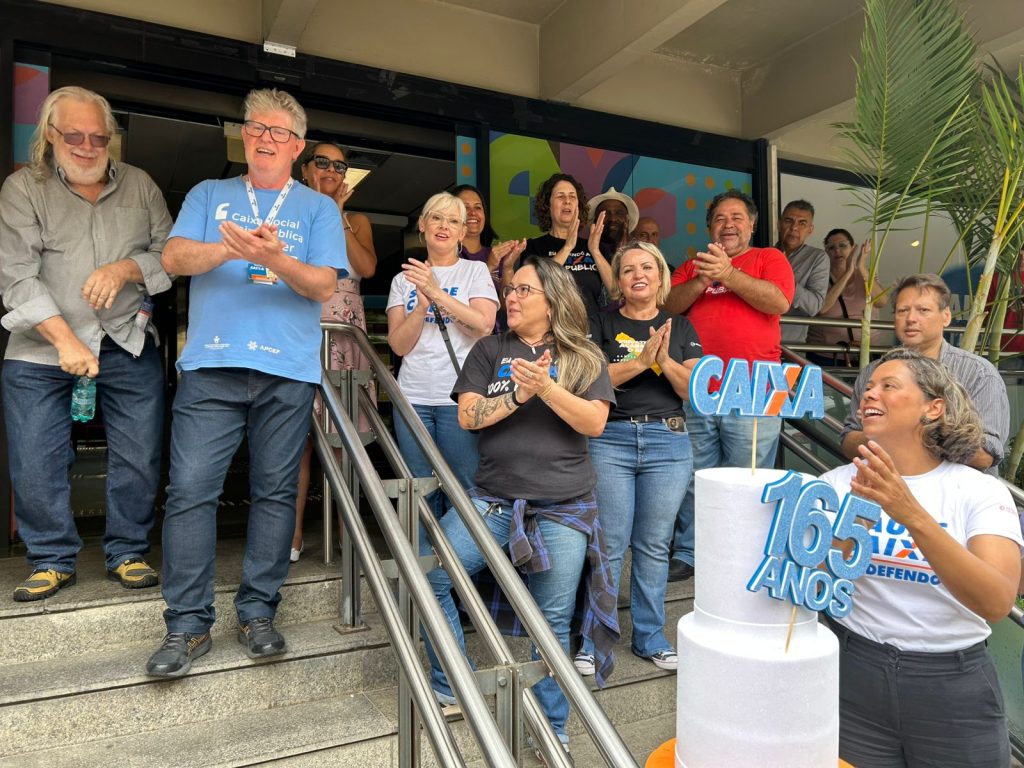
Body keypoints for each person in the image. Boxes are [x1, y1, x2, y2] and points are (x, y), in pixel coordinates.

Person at [146, 88, 347, 677]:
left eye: (280, 132)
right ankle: (187, 624)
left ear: (297, 146)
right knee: (190, 490)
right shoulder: (210, 194)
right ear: (243, 135)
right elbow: (173, 259)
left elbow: (323, 285)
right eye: (256, 127)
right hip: (211, 366)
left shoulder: (317, 208)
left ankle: (259, 612)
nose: (266, 138)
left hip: (287, 371)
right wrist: (228, 249)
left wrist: (276, 258)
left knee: (277, 493)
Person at [424, 255, 617, 754]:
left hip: (563, 508)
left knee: (550, 623)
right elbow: (468, 417)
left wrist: (546, 387)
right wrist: (516, 396)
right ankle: (451, 683)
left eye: (523, 290)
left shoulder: (583, 355)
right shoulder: (489, 349)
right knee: (429, 577)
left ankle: (551, 729)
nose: (511, 297)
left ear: (552, 301)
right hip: (492, 501)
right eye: (510, 290)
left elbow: (594, 422)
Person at [0, 85, 172, 601]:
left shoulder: (141, 184)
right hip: (41, 345)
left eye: (99, 137)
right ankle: (51, 559)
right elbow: (16, 276)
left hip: (125, 338)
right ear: (49, 135)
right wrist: (64, 339)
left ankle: (128, 552)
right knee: (36, 457)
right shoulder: (23, 188)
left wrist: (127, 268)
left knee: (139, 455)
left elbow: (171, 255)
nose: (87, 146)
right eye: (74, 136)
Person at [821, 347, 1021, 767]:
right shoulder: (834, 485)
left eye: (888, 385)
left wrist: (908, 512)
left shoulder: (979, 491)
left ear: (933, 408)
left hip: (953, 690)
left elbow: (996, 601)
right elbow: (810, 582)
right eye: (868, 386)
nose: (869, 394)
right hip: (851, 675)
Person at [574, 241, 701, 678]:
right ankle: (595, 639)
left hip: (669, 441)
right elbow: (589, 377)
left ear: (660, 276)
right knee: (609, 544)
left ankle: (649, 636)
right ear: (619, 280)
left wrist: (663, 360)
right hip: (611, 438)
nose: (638, 275)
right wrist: (642, 361)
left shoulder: (681, 326)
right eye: (628, 269)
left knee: (653, 544)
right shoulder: (601, 322)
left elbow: (693, 389)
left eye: (647, 267)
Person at [663, 189, 794, 582]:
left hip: (754, 389)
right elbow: (667, 305)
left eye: (737, 217)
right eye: (720, 218)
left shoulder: (769, 258)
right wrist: (703, 279)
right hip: (697, 386)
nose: (728, 224)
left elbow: (778, 302)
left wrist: (728, 274)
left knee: (747, 478)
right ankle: (690, 552)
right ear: (709, 228)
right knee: (694, 477)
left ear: (752, 225)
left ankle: (742, 554)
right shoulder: (693, 266)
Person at [386, 192, 498, 540]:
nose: (443, 226)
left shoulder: (475, 271)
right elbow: (399, 345)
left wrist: (436, 293)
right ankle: (424, 567)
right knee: (419, 489)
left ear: (463, 232)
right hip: (412, 398)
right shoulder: (403, 279)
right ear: (422, 225)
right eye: (436, 217)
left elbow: (483, 325)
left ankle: (463, 566)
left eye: (453, 221)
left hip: (460, 398)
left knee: (464, 488)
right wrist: (420, 307)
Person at [291, 140, 377, 562]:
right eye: (322, 162)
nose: (331, 170)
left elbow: (367, 267)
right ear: (305, 169)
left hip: (344, 336)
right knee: (296, 442)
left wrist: (338, 214)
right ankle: (290, 536)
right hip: (299, 329)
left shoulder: (356, 219)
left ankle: (347, 534)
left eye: (340, 166)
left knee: (345, 441)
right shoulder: (290, 212)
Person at [841, 274, 1009, 476]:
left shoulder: (978, 373)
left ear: (946, 316)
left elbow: (985, 454)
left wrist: (903, 430)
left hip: (958, 493)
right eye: (903, 310)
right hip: (886, 487)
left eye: (923, 310)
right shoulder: (874, 372)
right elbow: (849, 440)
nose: (911, 318)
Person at [520, 173, 614, 319]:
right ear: (547, 205)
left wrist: (595, 251)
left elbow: (615, 292)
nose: (567, 201)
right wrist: (567, 247)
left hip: (591, 329)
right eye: (560, 196)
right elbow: (533, 286)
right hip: (550, 328)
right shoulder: (533, 247)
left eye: (572, 197)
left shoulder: (595, 246)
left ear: (578, 206)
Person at [807, 228, 887, 366]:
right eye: (831, 248)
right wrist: (848, 272)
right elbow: (822, 308)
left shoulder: (866, 274)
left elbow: (882, 301)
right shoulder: (819, 277)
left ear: (853, 248)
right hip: (828, 355)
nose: (837, 251)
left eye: (842, 245)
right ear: (826, 252)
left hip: (868, 354)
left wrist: (861, 267)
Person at [452, 183, 525, 333]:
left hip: (494, 340)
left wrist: (507, 267)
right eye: (465, 207)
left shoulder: (495, 254)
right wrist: (489, 266)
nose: (473, 213)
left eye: (478, 207)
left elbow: (507, 305)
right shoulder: (449, 256)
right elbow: (453, 300)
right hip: (462, 338)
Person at [775, 199, 828, 344]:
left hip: (790, 346)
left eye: (802, 223)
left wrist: (784, 280)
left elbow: (814, 307)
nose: (794, 228)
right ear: (779, 224)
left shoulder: (817, 257)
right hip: (756, 343)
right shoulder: (765, 254)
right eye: (789, 221)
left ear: (810, 229)